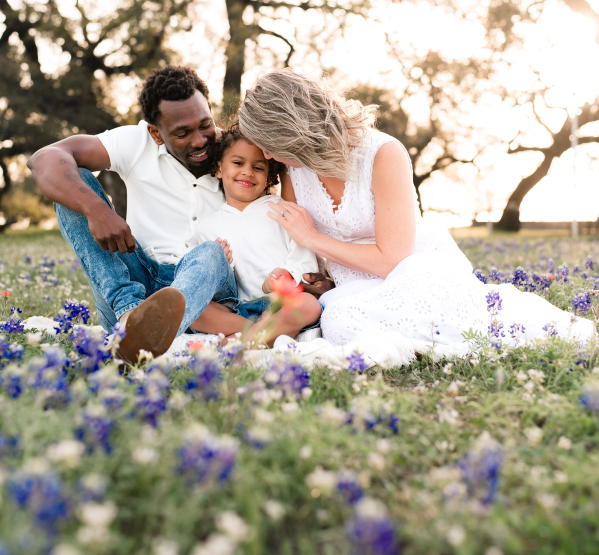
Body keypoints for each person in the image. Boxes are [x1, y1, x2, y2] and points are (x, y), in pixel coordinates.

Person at [237, 69, 595, 349]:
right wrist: (318, 279)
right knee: (338, 318)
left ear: (294, 132)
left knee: (344, 320)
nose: (267, 156)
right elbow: (312, 255)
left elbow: (393, 259)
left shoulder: (382, 154)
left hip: (415, 272)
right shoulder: (295, 171)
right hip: (349, 286)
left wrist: (314, 239)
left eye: (270, 144)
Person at [28, 66, 246, 363]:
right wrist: (97, 210)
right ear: (155, 133)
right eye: (182, 133)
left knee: (210, 252)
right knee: (72, 184)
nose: (199, 140)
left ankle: (151, 331)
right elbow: (45, 160)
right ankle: (131, 319)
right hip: (137, 280)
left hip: (204, 298)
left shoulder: (236, 155)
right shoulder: (136, 141)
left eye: (205, 124)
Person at [195, 124, 322, 344]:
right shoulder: (207, 227)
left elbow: (308, 263)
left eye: (259, 167)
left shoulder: (284, 210)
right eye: (237, 163)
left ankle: (245, 340)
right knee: (194, 308)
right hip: (241, 311)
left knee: (309, 304)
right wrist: (221, 266)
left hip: (283, 305)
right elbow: (215, 288)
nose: (247, 171)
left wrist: (287, 275)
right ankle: (260, 334)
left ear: (270, 177)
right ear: (218, 168)